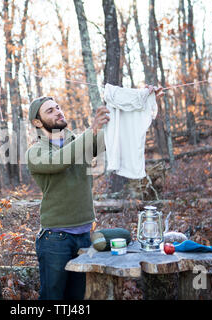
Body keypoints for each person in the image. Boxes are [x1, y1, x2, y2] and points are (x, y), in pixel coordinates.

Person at [25, 86, 162, 300]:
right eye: (49, 111)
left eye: (58, 107)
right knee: (53, 299)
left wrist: (141, 101)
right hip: (55, 240)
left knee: (78, 298)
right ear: (37, 122)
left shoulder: (80, 142)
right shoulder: (35, 152)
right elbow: (60, 161)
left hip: (84, 237)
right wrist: (92, 130)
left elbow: (116, 135)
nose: (58, 111)